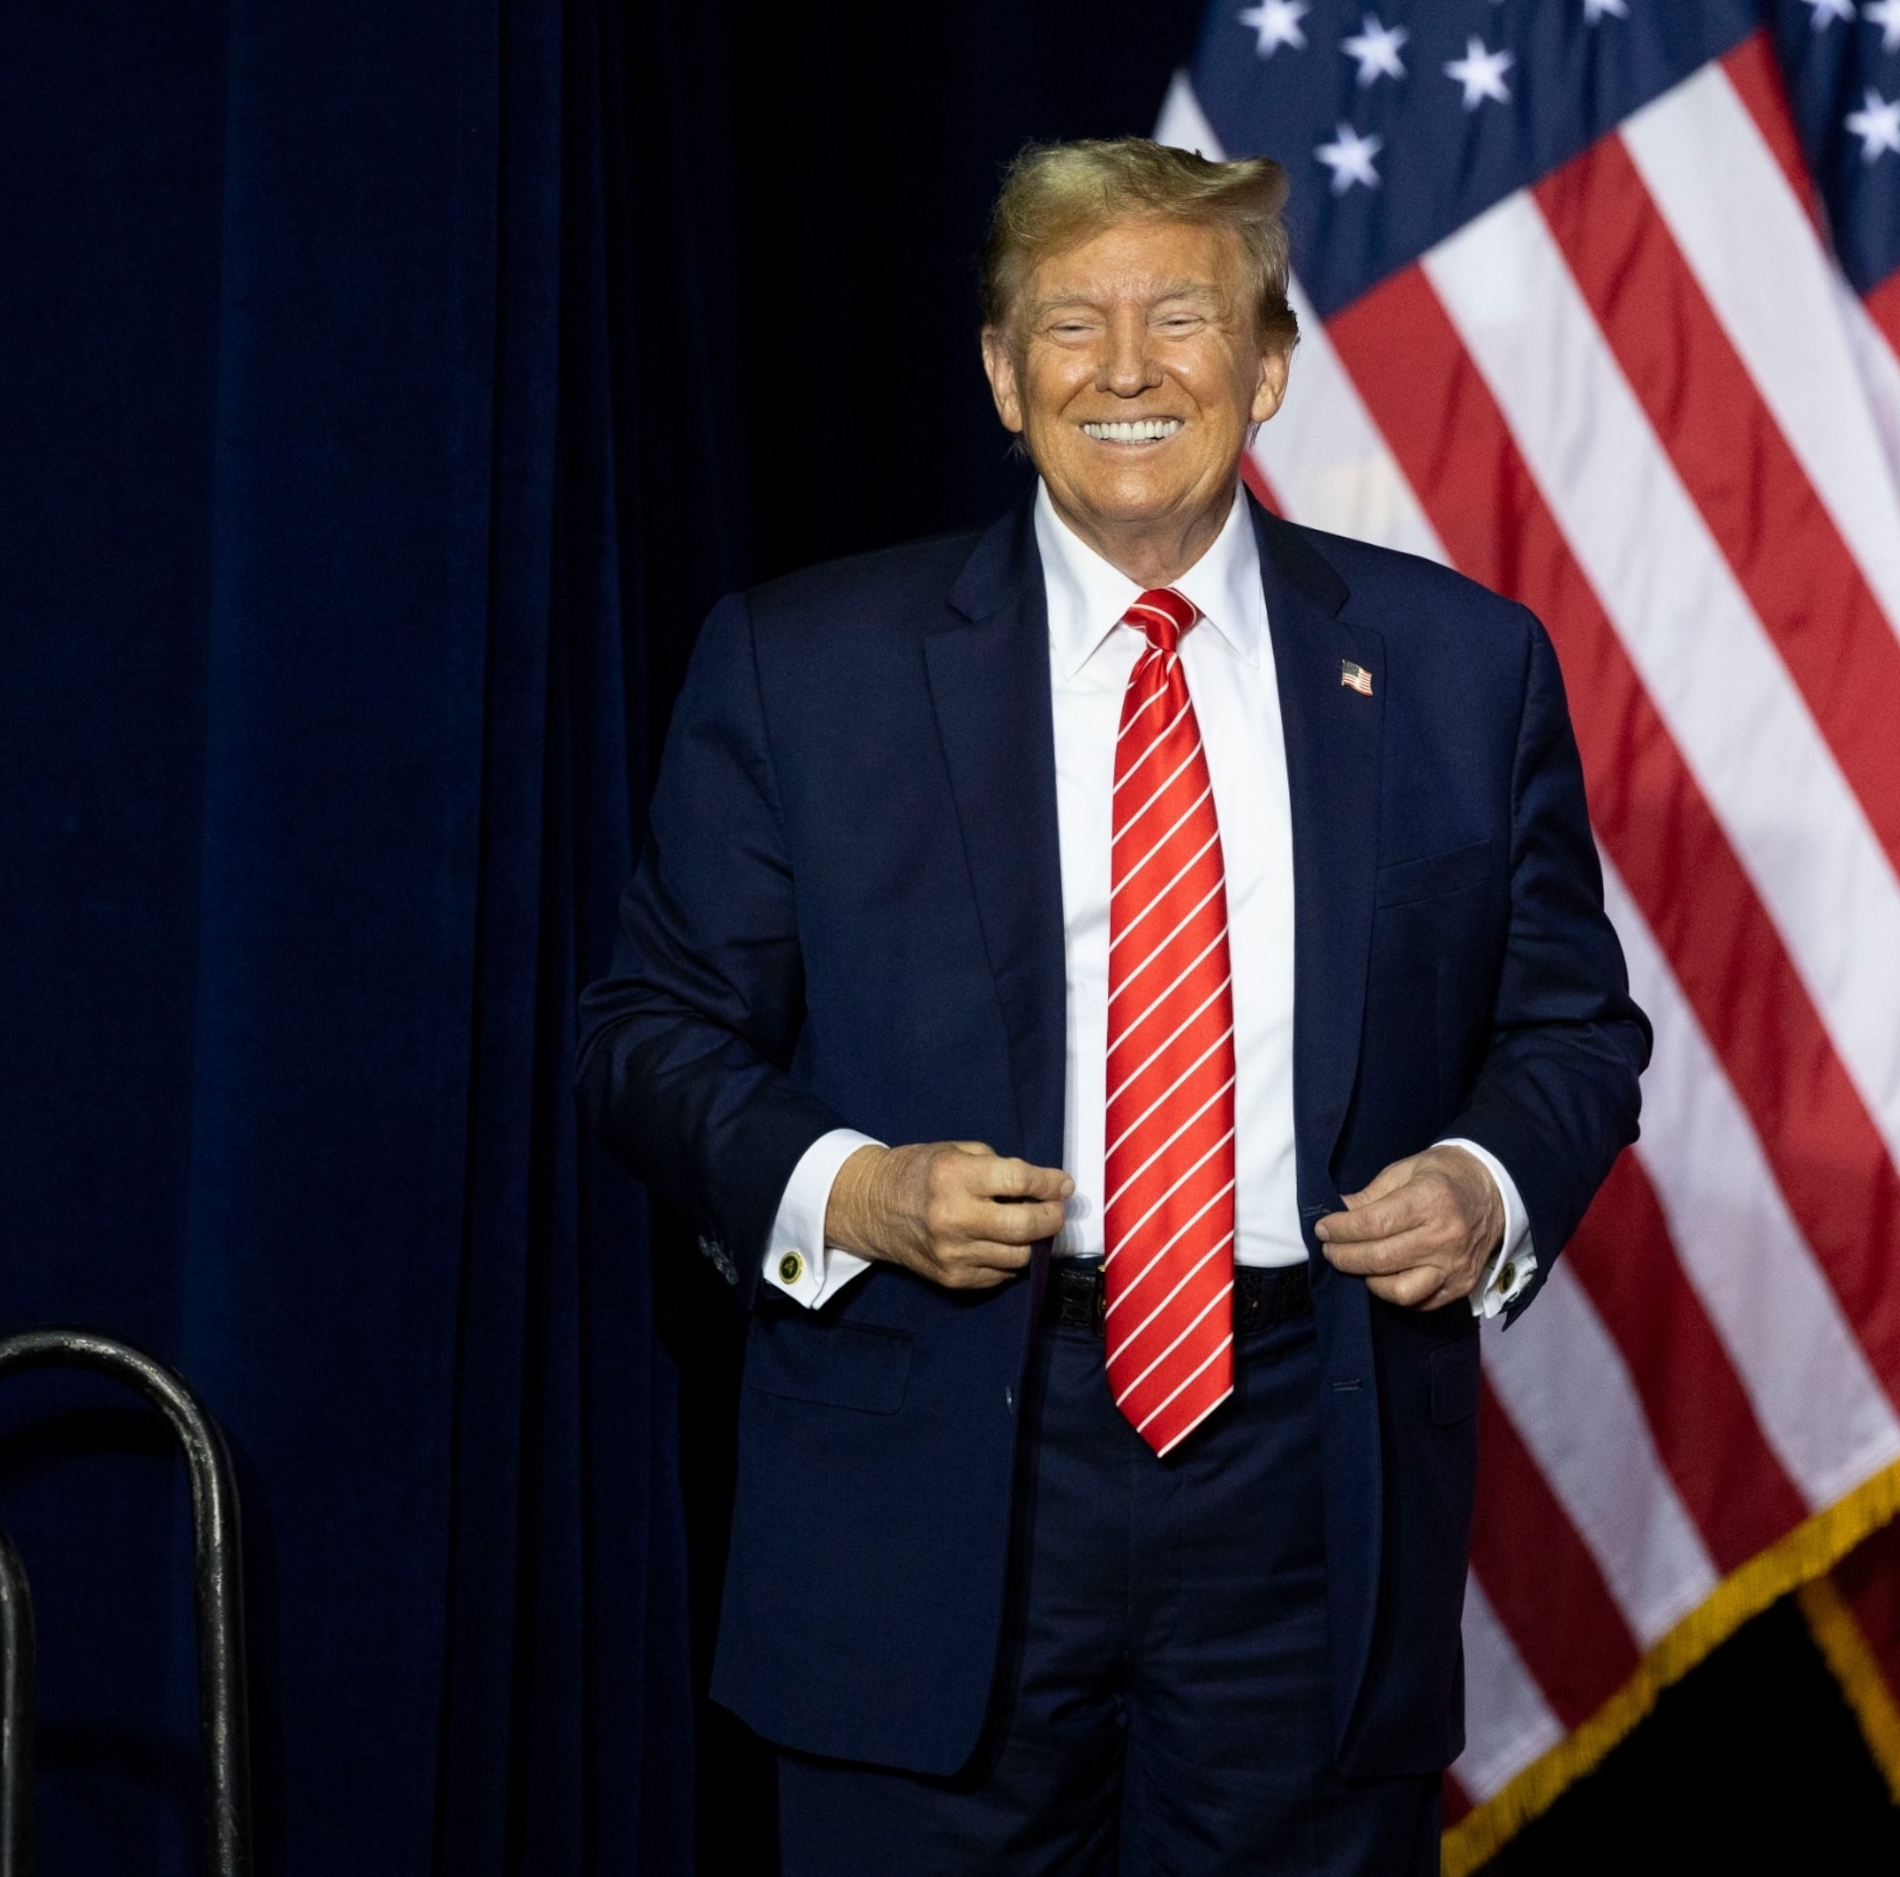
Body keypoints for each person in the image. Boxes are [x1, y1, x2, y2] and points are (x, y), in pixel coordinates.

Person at [578, 138, 1648, 1875]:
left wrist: (1489, 1185)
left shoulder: (1462, 665)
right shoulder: (803, 666)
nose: (1128, 370)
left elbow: (1572, 1032)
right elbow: (646, 1036)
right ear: (1004, 377)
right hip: (934, 1470)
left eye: (1184, 320)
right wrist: (849, 1189)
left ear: (1272, 365)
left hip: (1312, 1473)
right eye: (1071, 325)